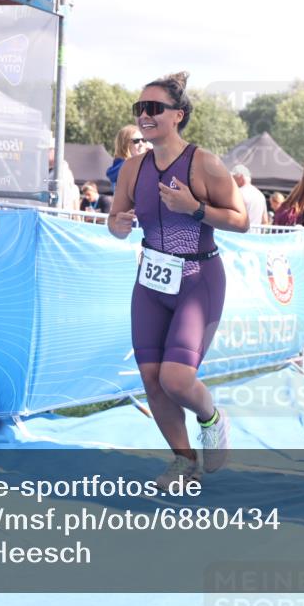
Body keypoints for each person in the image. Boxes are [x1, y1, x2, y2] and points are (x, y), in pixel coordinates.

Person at [108, 72, 248, 485]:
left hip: (198, 278)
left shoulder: (203, 162)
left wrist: (195, 208)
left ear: (178, 116)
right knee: (152, 379)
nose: (145, 116)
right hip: (151, 282)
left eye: (154, 108)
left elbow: (241, 220)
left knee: (176, 378)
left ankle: (212, 417)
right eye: (140, 109)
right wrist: (119, 223)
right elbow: (114, 223)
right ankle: (184, 462)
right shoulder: (133, 168)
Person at [107, 124, 150, 192]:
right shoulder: (125, 168)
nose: (141, 144)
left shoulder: (146, 163)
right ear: (125, 145)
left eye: (144, 140)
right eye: (136, 141)